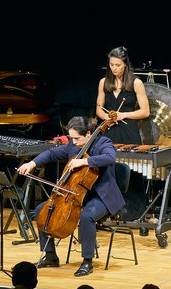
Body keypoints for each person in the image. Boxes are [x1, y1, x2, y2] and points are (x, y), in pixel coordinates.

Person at [17, 116, 125, 277]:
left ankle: (87, 261)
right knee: (42, 210)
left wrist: (83, 162)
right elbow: (51, 153)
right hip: (76, 194)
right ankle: (50, 256)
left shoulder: (103, 143)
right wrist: (31, 164)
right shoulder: (73, 147)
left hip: (101, 196)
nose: (73, 142)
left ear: (88, 133)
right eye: (71, 138)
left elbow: (110, 158)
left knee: (86, 216)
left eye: (77, 138)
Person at [96, 46, 149, 145]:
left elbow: (145, 112)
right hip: (109, 129)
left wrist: (124, 115)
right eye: (111, 65)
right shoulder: (103, 82)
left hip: (129, 130)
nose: (114, 68)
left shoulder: (136, 83)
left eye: (118, 65)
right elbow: (99, 109)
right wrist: (105, 116)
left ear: (125, 64)